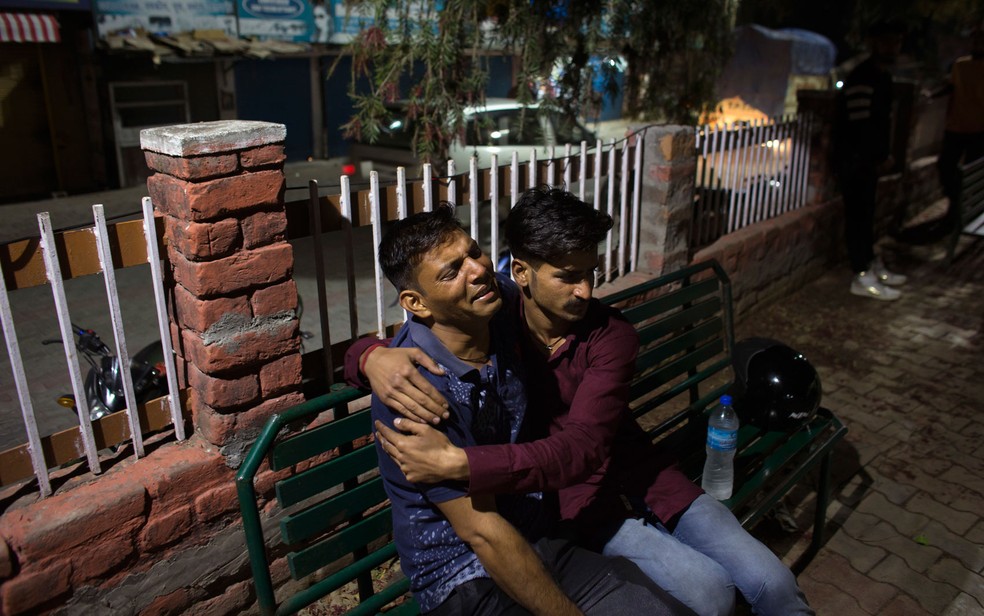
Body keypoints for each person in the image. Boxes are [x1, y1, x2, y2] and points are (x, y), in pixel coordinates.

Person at [348, 187, 813, 616]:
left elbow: (583, 448)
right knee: (709, 593)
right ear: (522, 273)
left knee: (770, 583)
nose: (586, 291)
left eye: (590, 272)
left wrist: (464, 465)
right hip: (567, 507)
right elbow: (430, 325)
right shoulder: (493, 313)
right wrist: (370, 358)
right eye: (568, 276)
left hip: (628, 481)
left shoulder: (607, 335)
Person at [368, 204, 691, 615]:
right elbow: (481, 532)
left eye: (475, 251)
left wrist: (365, 356)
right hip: (463, 575)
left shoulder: (496, 309)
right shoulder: (413, 391)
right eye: (452, 271)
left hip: (536, 534)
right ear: (417, 302)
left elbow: (583, 444)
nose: (478, 270)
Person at [833, 20, 908, 300]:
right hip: (855, 161)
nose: (893, 47)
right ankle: (861, 273)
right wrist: (878, 156)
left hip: (866, 162)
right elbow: (860, 125)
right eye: (888, 41)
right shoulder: (864, 77)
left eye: (896, 42)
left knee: (866, 215)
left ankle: (868, 264)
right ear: (874, 44)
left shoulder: (879, 75)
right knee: (858, 216)